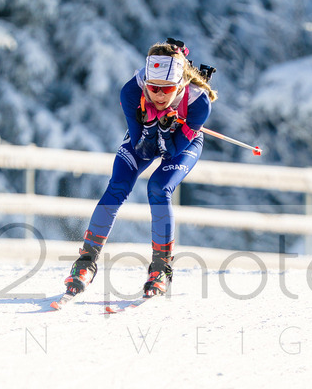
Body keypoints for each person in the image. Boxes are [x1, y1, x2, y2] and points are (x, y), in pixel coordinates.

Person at [63, 37, 218, 298]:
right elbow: (143, 148)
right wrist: (149, 124)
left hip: (182, 142)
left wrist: (168, 129)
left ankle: (161, 269)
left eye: (166, 89)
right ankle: (85, 262)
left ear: (179, 86)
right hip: (146, 136)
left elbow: (171, 152)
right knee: (118, 185)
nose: (158, 95)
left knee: (158, 188)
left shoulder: (199, 103)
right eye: (153, 87)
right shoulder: (131, 92)